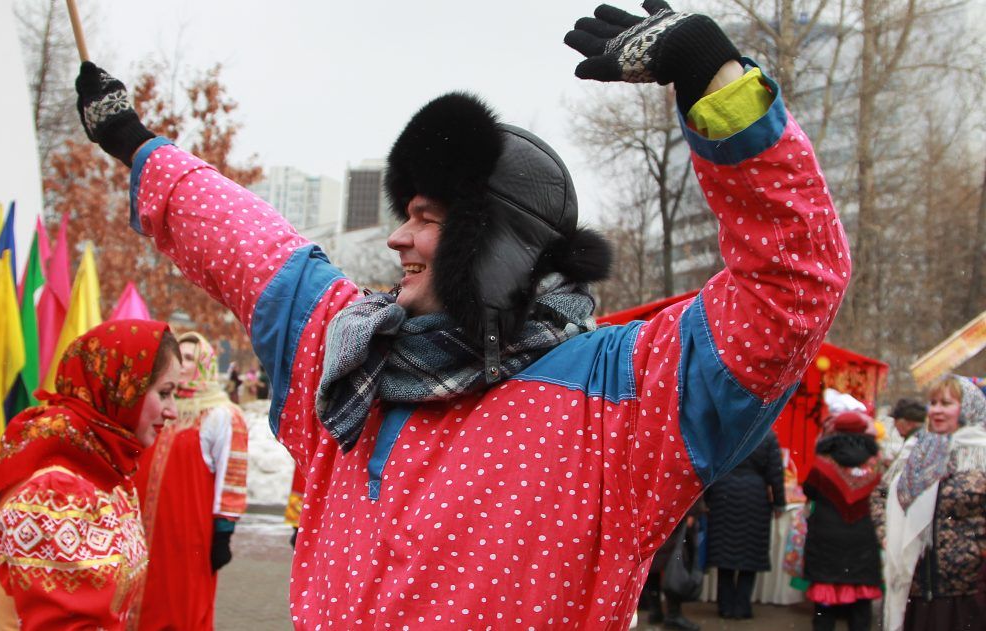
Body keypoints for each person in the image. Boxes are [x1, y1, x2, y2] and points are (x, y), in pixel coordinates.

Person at [73, 1, 851, 625]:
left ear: (495, 239)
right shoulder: (352, 353)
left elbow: (792, 284)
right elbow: (253, 248)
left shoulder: (626, 397)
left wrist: (716, 80)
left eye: (424, 215)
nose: (398, 237)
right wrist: (139, 145)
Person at [0, 320, 181, 630]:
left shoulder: (103, 466)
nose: (173, 410)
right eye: (165, 392)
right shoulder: (56, 490)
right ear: (120, 389)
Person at [128, 331, 249, 630]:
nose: (182, 366)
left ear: (206, 363)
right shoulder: (155, 405)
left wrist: (223, 532)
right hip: (140, 527)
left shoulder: (220, 413)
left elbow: (231, 474)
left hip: (186, 536)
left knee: (180, 607)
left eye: (191, 359)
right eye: (178, 358)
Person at [878, 375, 986, 631]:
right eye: (933, 402)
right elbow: (881, 495)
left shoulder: (981, 452)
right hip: (915, 585)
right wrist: (887, 533)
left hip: (967, 591)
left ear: (968, 407)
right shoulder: (917, 451)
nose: (936, 409)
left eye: (946, 403)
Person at [801, 411, 882, 631]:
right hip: (862, 539)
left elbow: (808, 490)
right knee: (860, 605)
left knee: (825, 606)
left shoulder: (821, 466)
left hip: (826, 540)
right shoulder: (877, 467)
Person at [704, 428, 786, 619]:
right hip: (755, 497)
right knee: (750, 556)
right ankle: (742, 606)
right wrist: (779, 503)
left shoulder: (726, 429)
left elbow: (709, 466)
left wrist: (707, 499)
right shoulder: (767, 433)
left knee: (724, 556)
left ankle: (724, 606)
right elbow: (776, 472)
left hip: (723, 494)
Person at [639, 500, 705, 630]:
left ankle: (656, 611)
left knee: (653, 565)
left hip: (653, 515)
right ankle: (673, 614)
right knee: (674, 566)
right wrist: (692, 513)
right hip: (674, 519)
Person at [880, 397, 926, 464]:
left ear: (909, 424)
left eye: (896, 420)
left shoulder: (913, 443)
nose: (894, 425)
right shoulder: (926, 437)